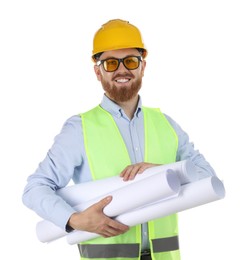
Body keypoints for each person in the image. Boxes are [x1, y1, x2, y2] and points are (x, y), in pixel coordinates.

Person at [22, 19, 216, 260]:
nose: (122, 70)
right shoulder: (79, 129)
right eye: (111, 63)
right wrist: (74, 219)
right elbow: (35, 188)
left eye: (131, 61)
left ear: (142, 67)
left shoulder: (166, 124)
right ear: (98, 71)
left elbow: (208, 177)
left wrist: (165, 171)